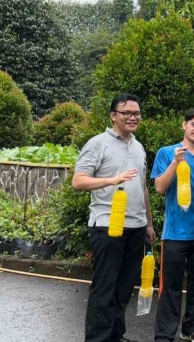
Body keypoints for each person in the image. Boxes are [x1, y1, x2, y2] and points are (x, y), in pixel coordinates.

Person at [73, 93, 156, 342]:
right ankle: (97, 338)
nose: (133, 117)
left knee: (123, 287)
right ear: (113, 116)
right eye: (127, 113)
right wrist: (112, 180)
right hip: (108, 225)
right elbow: (78, 181)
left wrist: (149, 224)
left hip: (136, 226)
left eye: (136, 113)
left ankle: (115, 336)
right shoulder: (98, 143)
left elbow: (142, 188)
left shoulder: (138, 146)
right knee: (105, 285)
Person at [152, 109, 194, 342]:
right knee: (170, 286)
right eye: (193, 124)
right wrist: (175, 163)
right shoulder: (166, 152)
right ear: (184, 125)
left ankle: (191, 328)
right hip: (175, 233)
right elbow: (160, 188)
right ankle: (164, 334)